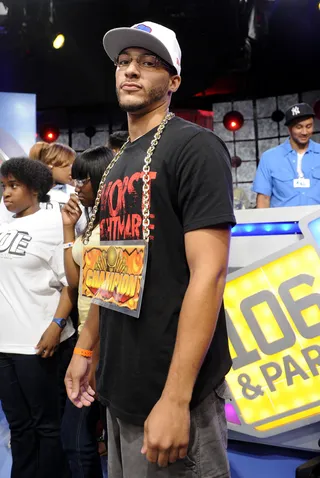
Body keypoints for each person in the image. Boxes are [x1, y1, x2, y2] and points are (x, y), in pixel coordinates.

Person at [65, 21, 235, 478]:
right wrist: (86, 350)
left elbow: (210, 275)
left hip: (174, 388)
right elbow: (110, 271)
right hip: (121, 387)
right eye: (124, 62)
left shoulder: (195, 147)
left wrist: (176, 398)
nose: (131, 71)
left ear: (174, 81)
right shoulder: (118, 160)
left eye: (148, 63)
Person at [0, 157, 75, 478]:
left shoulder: (53, 224)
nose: (6, 194)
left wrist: (56, 327)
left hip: (39, 343)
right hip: (5, 344)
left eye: (14, 186)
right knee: (18, 425)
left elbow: (71, 284)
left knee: (46, 425)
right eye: (3, 187)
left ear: (35, 189)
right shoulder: (5, 225)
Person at [60, 146, 114, 478]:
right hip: (85, 334)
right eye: (76, 179)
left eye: (84, 179)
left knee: (78, 438)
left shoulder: (118, 224)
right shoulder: (91, 221)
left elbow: (109, 290)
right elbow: (76, 280)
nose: (77, 186)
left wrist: (91, 350)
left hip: (105, 340)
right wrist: (69, 229)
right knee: (81, 438)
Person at [253, 102, 320, 208]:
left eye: (308, 126)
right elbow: (264, 199)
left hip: (316, 222)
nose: (304, 132)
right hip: (282, 223)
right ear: (289, 129)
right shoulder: (270, 157)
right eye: (299, 127)